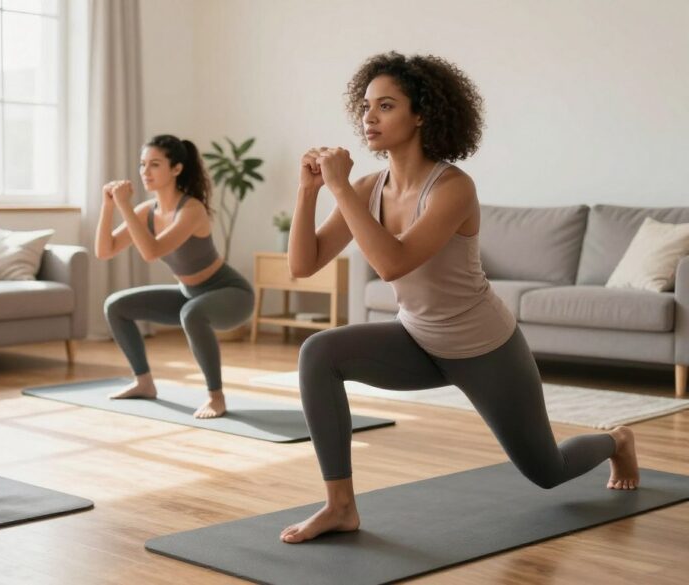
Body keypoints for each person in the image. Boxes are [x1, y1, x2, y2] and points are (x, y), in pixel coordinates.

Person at [280, 52, 639, 543]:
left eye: (386, 106)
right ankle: (340, 506)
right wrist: (308, 192)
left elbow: (393, 262)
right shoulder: (367, 187)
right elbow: (303, 265)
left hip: (484, 348)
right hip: (417, 340)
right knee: (318, 353)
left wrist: (340, 189)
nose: (369, 117)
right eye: (366, 106)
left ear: (421, 114)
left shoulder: (452, 188)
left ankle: (616, 440)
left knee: (546, 470)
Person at [95, 135, 254, 419]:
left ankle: (216, 397)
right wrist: (109, 206)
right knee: (116, 306)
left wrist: (125, 206)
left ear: (177, 169)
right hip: (188, 294)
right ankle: (143, 382)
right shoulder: (145, 211)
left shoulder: (191, 210)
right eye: (143, 164)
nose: (145, 171)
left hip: (231, 294)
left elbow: (151, 251)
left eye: (154, 164)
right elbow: (104, 250)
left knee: (192, 314)